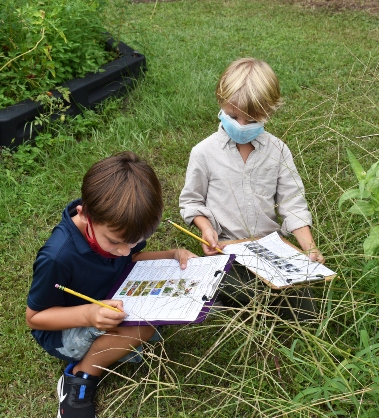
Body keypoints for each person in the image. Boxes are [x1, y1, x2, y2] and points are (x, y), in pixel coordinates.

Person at [26, 152, 197, 418]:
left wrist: (171, 255)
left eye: (133, 242)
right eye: (115, 242)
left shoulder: (122, 230)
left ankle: (116, 346)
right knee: (142, 325)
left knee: (160, 311)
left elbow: (132, 259)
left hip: (111, 300)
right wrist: (89, 314)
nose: (123, 251)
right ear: (85, 215)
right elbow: (35, 318)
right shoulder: (57, 257)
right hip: (63, 329)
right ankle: (81, 375)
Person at [179, 57, 324, 321]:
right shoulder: (204, 153)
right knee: (242, 288)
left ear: (269, 112)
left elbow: (293, 202)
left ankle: (245, 299)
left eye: (253, 118)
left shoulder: (278, 150)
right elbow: (192, 201)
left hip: (271, 248)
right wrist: (205, 227)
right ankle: (229, 297)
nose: (242, 126)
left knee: (306, 311)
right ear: (221, 102)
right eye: (234, 116)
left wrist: (309, 247)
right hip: (227, 251)